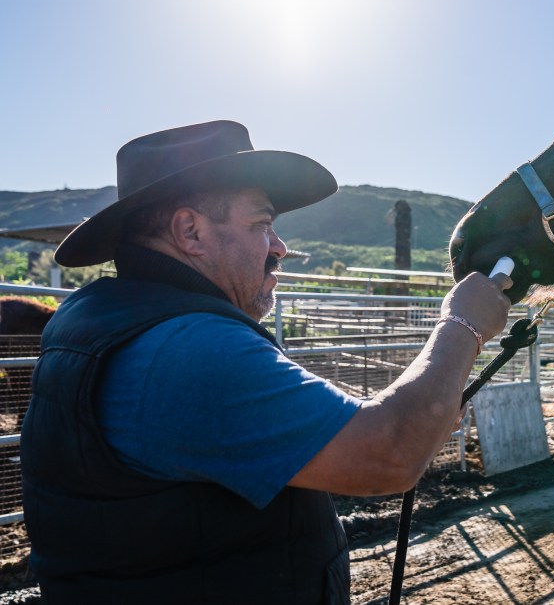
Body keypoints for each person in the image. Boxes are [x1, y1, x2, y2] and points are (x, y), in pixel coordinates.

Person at [19, 120, 512, 604]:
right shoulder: (189, 348)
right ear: (189, 231)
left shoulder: (102, 319)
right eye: (262, 225)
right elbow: (390, 453)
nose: (279, 248)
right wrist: (462, 324)